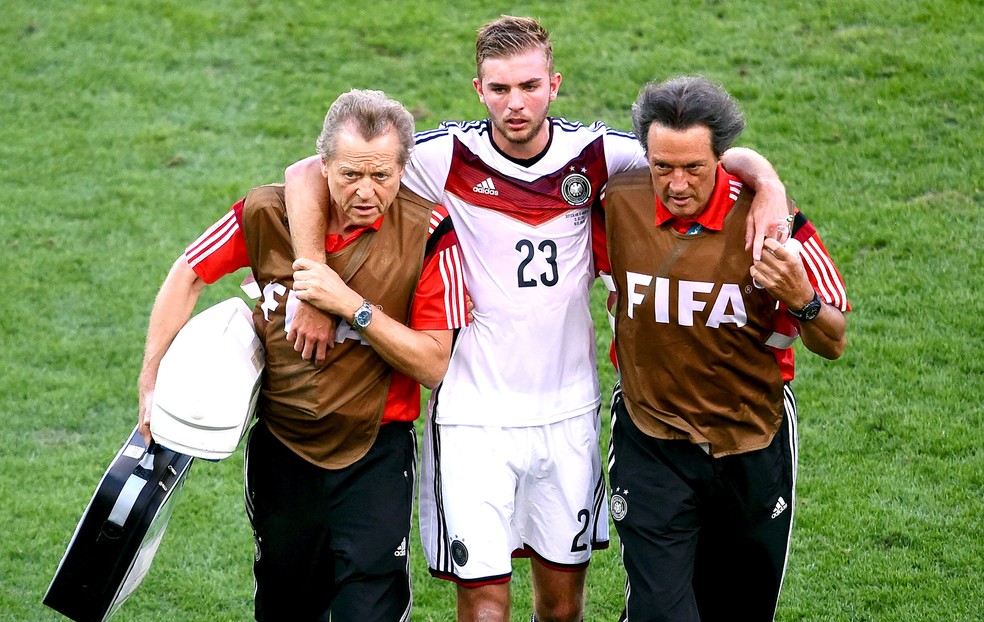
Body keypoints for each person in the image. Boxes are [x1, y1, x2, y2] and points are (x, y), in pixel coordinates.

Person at [284, 17, 789, 622]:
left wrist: (768, 182)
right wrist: (312, 282)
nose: (515, 103)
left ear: (555, 84)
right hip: (473, 416)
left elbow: (700, 153)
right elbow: (306, 172)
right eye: (499, 89)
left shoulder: (599, 155)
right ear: (479, 90)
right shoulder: (444, 156)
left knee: (561, 605)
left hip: (567, 412)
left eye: (529, 86)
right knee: (485, 608)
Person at [137, 89, 468, 622]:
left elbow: (434, 365)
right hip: (282, 447)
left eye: (382, 176)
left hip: (375, 454)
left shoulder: (430, 234)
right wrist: (150, 379)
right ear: (324, 166)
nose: (366, 191)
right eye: (350, 175)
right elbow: (189, 272)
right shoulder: (266, 212)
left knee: (371, 607)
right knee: (286, 605)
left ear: (404, 168)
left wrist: (349, 306)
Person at [602, 75, 849, 621]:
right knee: (661, 611)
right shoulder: (616, 203)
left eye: (694, 167)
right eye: (662, 167)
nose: (677, 183)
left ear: (722, 159)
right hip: (652, 437)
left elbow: (833, 340)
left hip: (751, 438)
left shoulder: (773, 225)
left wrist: (800, 297)